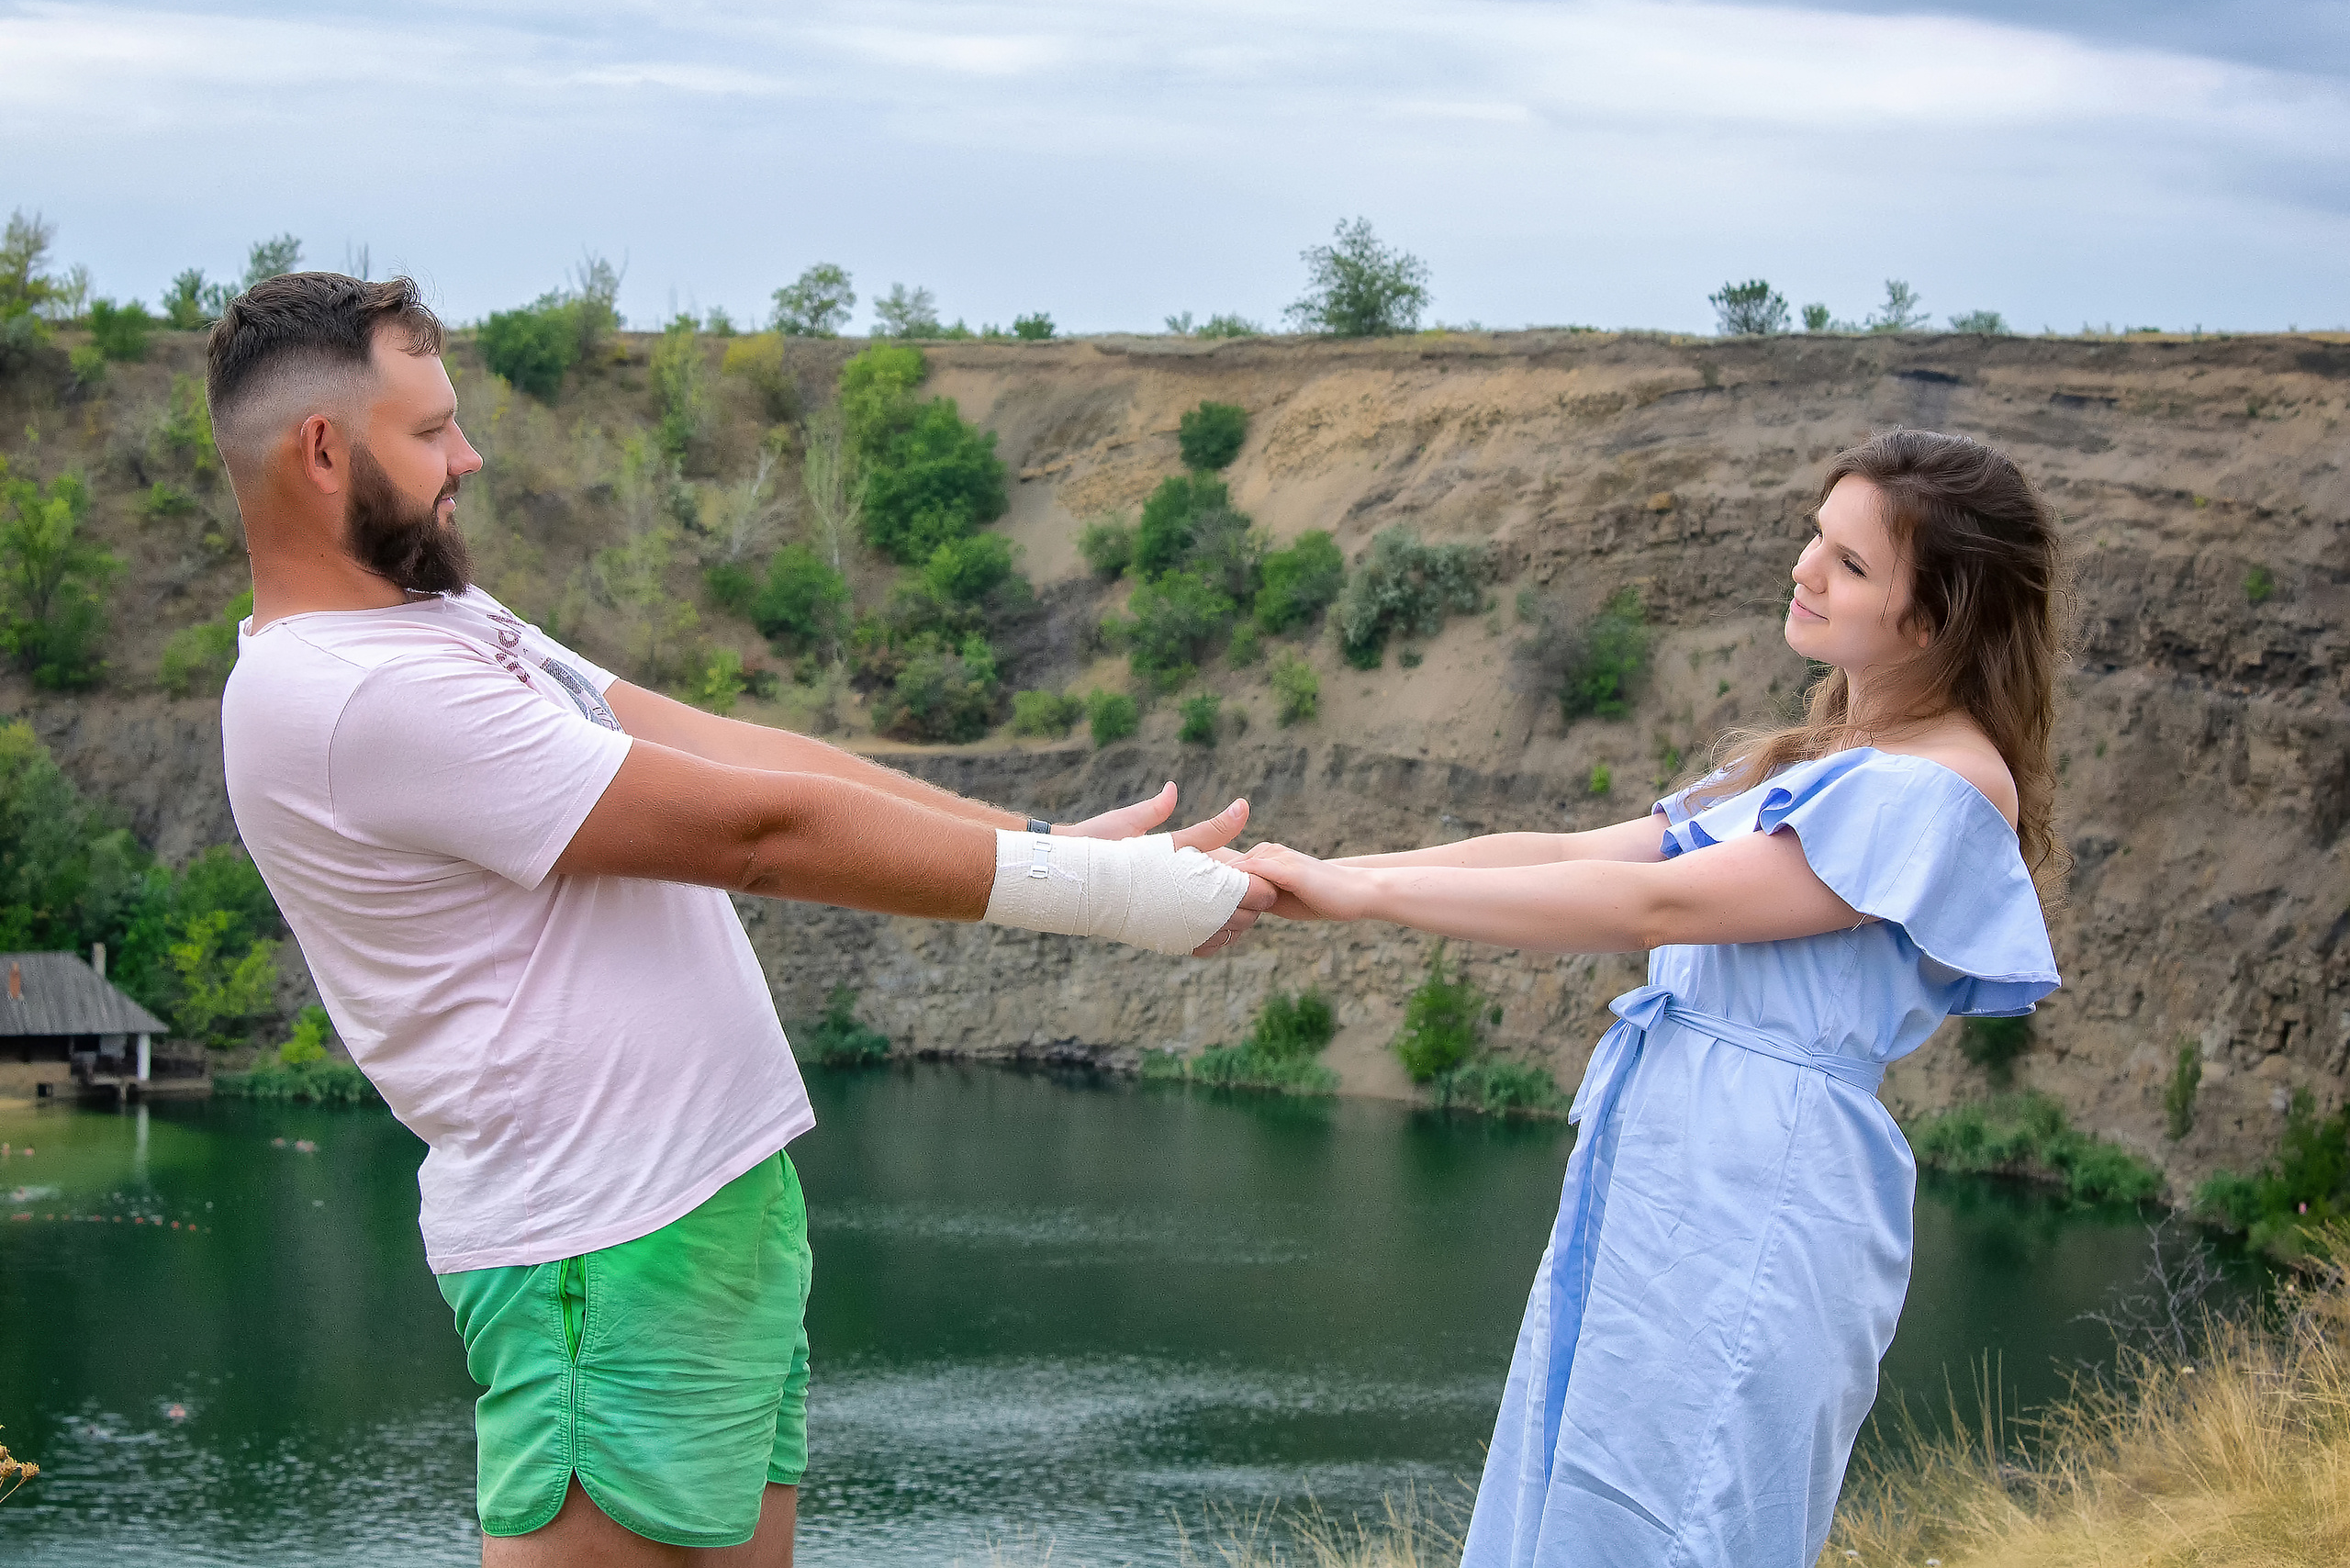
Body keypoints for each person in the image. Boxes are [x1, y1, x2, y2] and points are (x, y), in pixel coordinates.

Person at [207, 273, 1272, 1567]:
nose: (468, 457)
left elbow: (729, 751)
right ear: (323, 449)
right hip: (598, 1249)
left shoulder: (438, 628)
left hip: (702, 1210)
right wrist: (1118, 902)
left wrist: (1033, 839)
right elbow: (755, 838)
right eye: (430, 431)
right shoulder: (347, 697)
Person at [1235, 431, 2065, 1567]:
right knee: (1581, 1496)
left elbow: (1654, 907)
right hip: (1676, 1158)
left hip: (1765, 1178)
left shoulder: (1944, 782)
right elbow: (1582, 848)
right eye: (1813, 538)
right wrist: (1335, 872)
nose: (1804, 571)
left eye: (1851, 565)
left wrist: (1368, 897)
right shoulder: (1820, 754)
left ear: (1936, 619)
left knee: (1689, 1516)